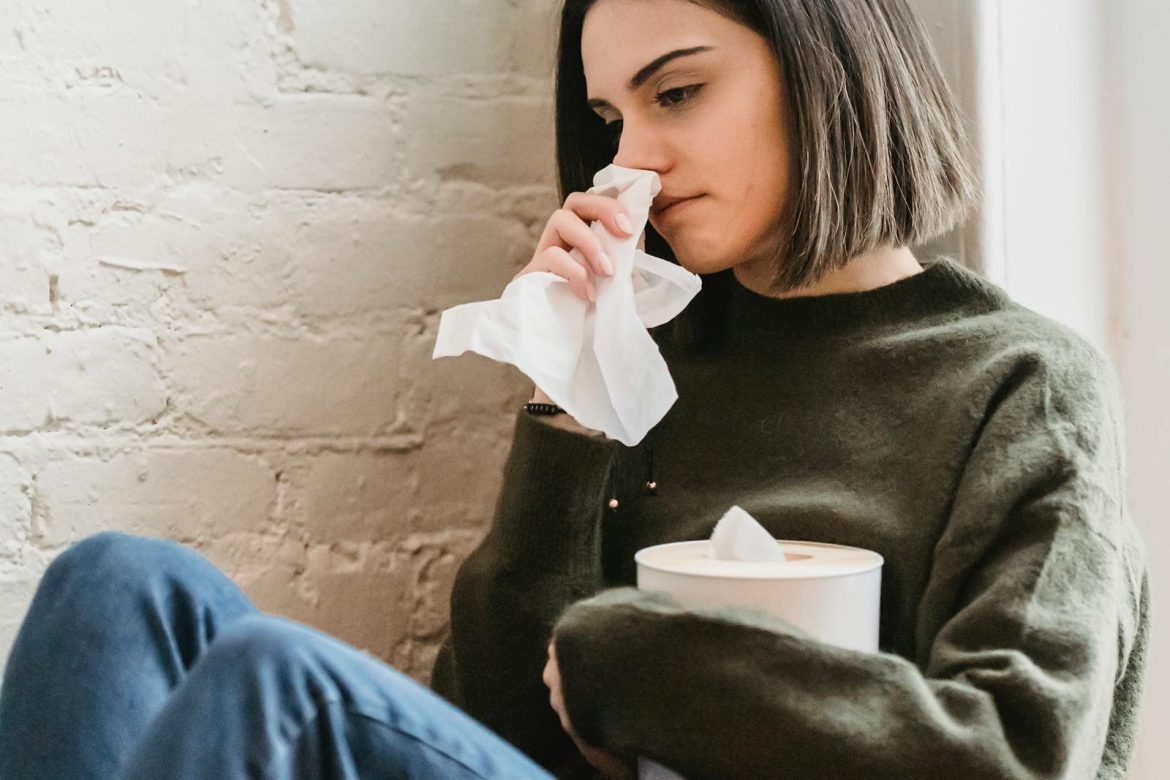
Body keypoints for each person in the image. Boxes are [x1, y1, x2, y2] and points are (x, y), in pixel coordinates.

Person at [0, 0, 1148, 778]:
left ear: (826, 69)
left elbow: (1011, 752)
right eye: (611, 119)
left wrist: (633, 658)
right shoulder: (656, 360)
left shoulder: (1019, 385)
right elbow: (496, 729)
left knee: (274, 681)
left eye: (679, 94)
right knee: (115, 586)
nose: (630, 159)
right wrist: (573, 402)